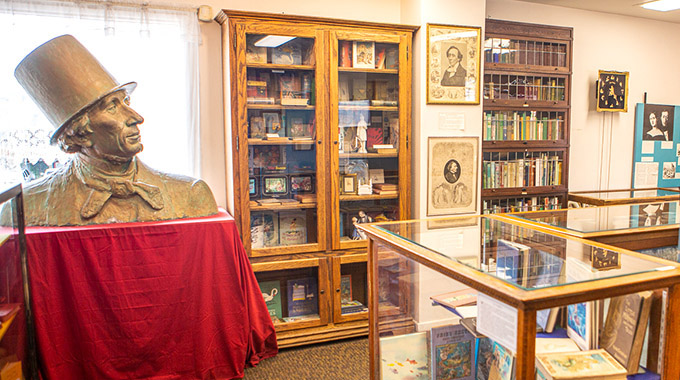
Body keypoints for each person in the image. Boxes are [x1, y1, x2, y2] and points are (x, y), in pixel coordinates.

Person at [10, 35, 217, 226]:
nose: (136, 118)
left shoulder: (191, 195)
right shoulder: (26, 207)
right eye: (112, 107)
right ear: (80, 133)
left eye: (126, 102)